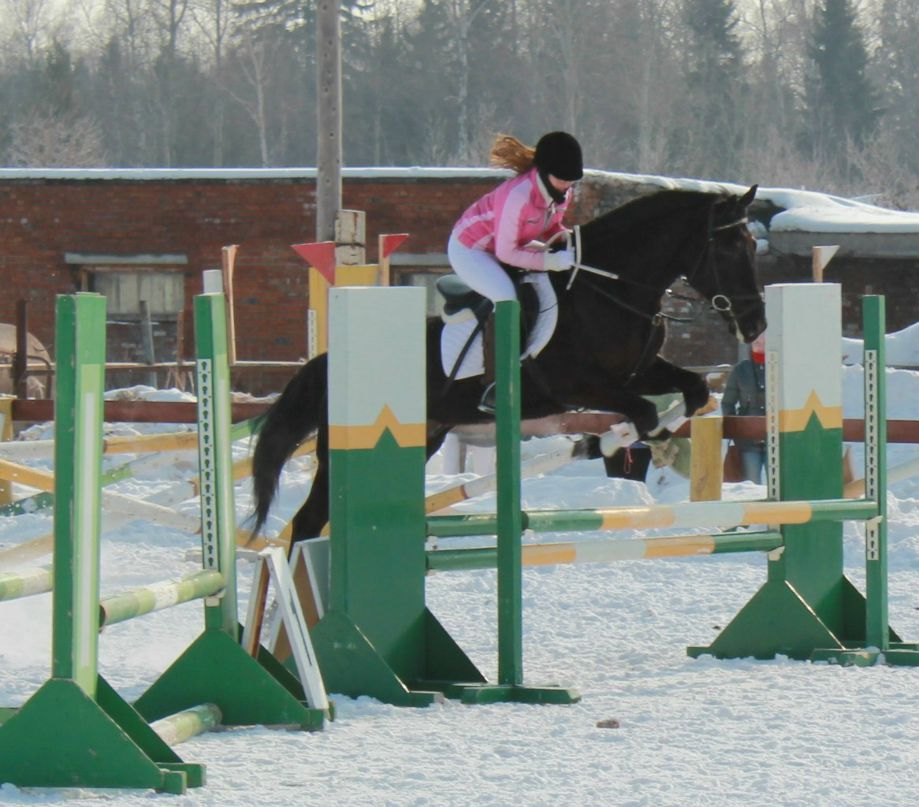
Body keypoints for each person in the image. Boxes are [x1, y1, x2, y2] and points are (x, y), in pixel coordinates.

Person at [448, 131, 583, 413]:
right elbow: (506, 253)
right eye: (563, 178)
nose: (568, 184)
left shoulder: (561, 192)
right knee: (507, 298)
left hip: (505, 245)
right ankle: (496, 384)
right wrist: (549, 262)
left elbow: (549, 228)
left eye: (572, 179)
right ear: (545, 173)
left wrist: (564, 240)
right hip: (472, 249)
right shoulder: (519, 195)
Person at [721, 332, 767, 483]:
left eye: (764, 343)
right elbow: (728, 402)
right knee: (752, 483)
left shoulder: (780, 367)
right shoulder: (741, 370)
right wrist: (735, 428)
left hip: (775, 437)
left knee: (780, 485)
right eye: (756, 344)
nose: (760, 348)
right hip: (748, 439)